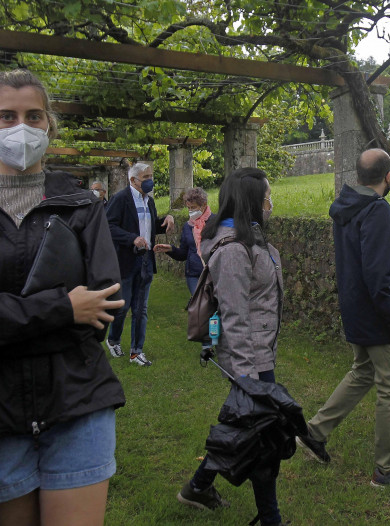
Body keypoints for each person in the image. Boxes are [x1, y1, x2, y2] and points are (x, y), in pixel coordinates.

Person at [0, 69, 126, 526]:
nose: (21, 127)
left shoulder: (82, 205)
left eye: (33, 116)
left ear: (49, 124)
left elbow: (105, 307)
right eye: (6, 116)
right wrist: (63, 308)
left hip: (75, 399)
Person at [295, 148, 390, 492]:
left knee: (363, 373)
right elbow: (377, 270)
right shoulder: (377, 209)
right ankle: (388, 468)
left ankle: (314, 433)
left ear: (358, 175)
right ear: (388, 177)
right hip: (376, 314)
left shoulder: (346, 207)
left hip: (356, 307)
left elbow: (365, 266)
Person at [177, 168, 286, 526]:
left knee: (240, 429)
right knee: (262, 438)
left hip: (258, 351)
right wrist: (247, 377)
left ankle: (198, 486)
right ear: (252, 200)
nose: (271, 201)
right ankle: (270, 519)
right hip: (249, 357)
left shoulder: (249, 237)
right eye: (267, 195)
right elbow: (236, 318)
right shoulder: (234, 249)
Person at [105, 162, 174, 366]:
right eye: (146, 177)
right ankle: (113, 339)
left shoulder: (149, 201)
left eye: (151, 176)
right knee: (123, 305)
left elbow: (151, 225)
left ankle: (136, 352)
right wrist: (131, 238)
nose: (150, 180)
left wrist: (167, 219)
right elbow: (108, 226)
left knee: (141, 309)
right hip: (127, 260)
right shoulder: (120, 199)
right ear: (133, 180)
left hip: (145, 259)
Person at [154, 187, 211, 294]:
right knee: (199, 306)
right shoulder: (188, 226)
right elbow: (184, 254)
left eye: (193, 207)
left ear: (203, 205)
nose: (190, 211)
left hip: (213, 273)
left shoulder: (215, 223)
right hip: (193, 275)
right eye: (188, 208)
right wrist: (171, 249)